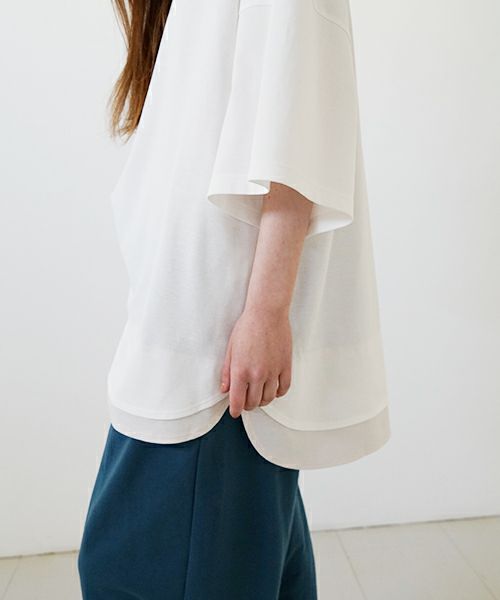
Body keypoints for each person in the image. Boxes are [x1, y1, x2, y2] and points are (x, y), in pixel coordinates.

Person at [78, 0, 391, 598]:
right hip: (183, 333)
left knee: (131, 571)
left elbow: (299, 121)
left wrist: (266, 312)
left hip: (216, 356)